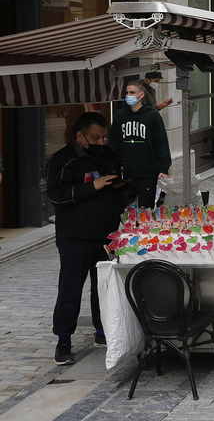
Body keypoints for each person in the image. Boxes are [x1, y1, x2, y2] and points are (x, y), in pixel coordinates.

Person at [47, 112, 127, 365]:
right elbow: (56, 196)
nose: (101, 142)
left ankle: (102, 332)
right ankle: (63, 340)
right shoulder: (62, 160)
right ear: (80, 136)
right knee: (70, 288)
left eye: (104, 136)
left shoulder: (108, 154)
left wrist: (122, 183)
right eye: (96, 137)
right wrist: (93, 186)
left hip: (106, 233)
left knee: (102, 287)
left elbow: (123, 182)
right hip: (74, 236)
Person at [108, 80, 171, 208]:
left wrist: (164, 169)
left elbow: (161, 143)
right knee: (121, 210)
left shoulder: (152, 115)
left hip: (147, 172)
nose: (129, 96)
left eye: (132, 92)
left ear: (141, 95)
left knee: (146, 212)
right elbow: (114, 144)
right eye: (127, 93)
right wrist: (114, 167)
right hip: (126, 173)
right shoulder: (120, 116)